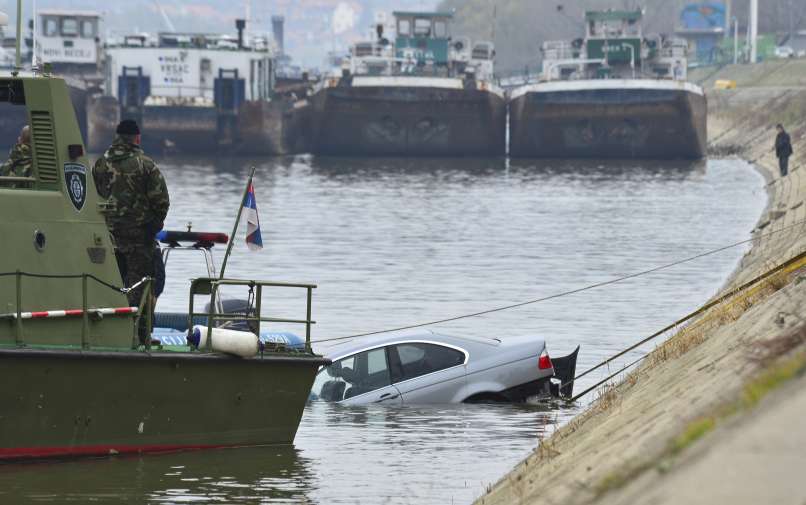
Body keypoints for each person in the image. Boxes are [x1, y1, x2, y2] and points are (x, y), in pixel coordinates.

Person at [93, 119, 170, 343]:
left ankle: (108, 333)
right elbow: (162, 201)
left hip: (107, 239)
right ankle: (140, 336)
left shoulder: (99, 164)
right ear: (137, 138)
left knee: (111, 284)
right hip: (139, 240)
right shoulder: (145, 165)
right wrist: (152, 227)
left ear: (117, 137)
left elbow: (93, 198)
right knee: (142, 285)